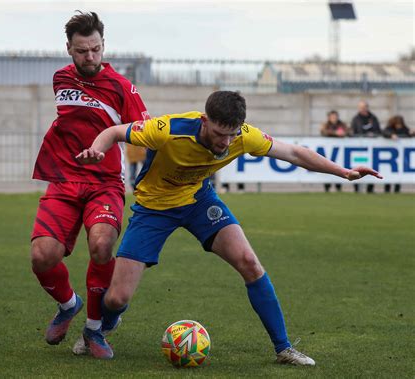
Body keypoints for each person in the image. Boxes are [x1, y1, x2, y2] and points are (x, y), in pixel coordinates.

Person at [76, 91, 382, 364]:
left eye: (232, 134)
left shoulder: (243, 136)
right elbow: (114, 131)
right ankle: (101, 328)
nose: (226, 142)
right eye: (221, 134)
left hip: (198, 200)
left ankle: (284, 348)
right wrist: (97, 149)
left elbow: (294, 153)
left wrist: (345, 172)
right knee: (117, 298)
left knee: (249, 262)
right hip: (153, 209)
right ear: (206, 121)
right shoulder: (168, 129)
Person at [30, 11, 149, 358]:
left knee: (101, 244)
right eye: (82, 51)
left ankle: (95, 329)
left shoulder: (122, 87)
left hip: (105, 184)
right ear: (69, 49)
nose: (90, 57)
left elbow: (146, 131)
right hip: (64, 181)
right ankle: (68, 305)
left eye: (96, 49)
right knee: (42, 256)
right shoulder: (60, 79)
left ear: (103, 46)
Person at [350, 100, 381, 193]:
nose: (362, 109)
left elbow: (378, 130)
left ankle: (370, 188)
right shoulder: (356, 119)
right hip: (358, 148)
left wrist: (373, 135)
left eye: (364, 107)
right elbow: (353, 131)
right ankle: (356, 188)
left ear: (367, 107)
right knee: (357, 166)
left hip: (371, 147)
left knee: (371, 167)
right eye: (361, 107)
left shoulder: (373, 118)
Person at [382, 115, 413, 193]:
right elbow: (384, 132)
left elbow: (408, 133)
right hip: (389, 156)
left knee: (399, 171)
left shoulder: (404, 129)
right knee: (388, 172)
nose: (399, 126)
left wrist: (412, 133)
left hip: (401, 156)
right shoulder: (389, 129)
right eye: (397, 124)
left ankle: (397, 190)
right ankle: (387, 189)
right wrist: (391, 135)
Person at [320, 110, 349, 192]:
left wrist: (344, 133)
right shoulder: (325, 125)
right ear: (329, 118)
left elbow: (349, 131)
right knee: (327, 167)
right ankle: (327, 187)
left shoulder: (342, 124)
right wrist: (336, 133)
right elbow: (323, 132)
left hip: (339, 151)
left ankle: (338, 187)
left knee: (339, 167)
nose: (334, 118)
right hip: (328, 150)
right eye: (332, 117)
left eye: (335, 117)